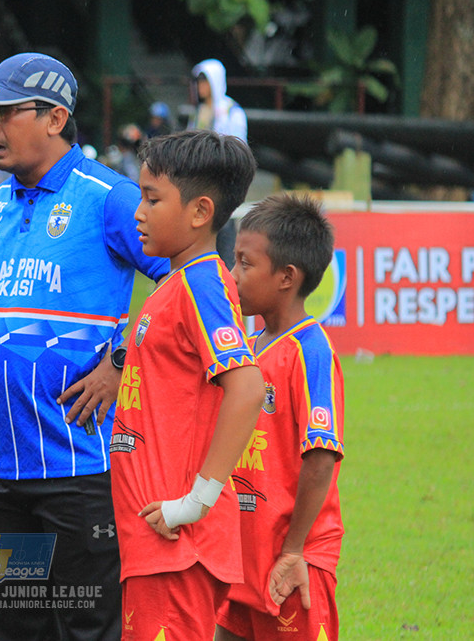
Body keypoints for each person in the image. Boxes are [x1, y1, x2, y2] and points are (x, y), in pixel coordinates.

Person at [0, 52, 170, 641]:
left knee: (86, 627)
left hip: (80, 474)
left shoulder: (109, 197)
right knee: (15, 629)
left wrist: (121, 362)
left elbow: (186, 279)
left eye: (4, 112)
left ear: (56, 118)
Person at [109, 129, 265, 640]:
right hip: (154, 541)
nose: (138, 212)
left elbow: (247, 386)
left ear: (200, 212)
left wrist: (195, 502)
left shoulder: (201, 282)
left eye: (152, 199)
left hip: (176, 541)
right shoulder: (174, 284)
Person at [216, 194, 345, 641]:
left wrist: (293, 551)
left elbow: (321, 457)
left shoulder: (310, 351)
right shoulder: (246, 345)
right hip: (242, 551)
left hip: (292, 559)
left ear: (287, 277)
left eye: (245, 264)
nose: (232, 275)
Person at [188, 58, 249, 272]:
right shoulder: (198, 112)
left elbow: (239, 151)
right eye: (198, 81)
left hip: (223, 184)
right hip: (199, 185)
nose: (200, 86)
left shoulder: (232, 111)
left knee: (224, 240)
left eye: (204, 81)